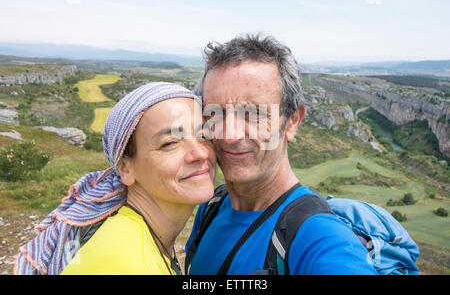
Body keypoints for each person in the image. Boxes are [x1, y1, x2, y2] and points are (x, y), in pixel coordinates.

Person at [185, 34, 378, 275]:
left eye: (252, 113)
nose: (229, 135)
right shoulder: (211, 207)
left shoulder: (315, 235)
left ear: (292, 121)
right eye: (214, 113)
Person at [14, 82, 216, 275]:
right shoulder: (131, 265)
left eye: (203, 135)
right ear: (126, 168)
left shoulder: (127, 234)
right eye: (170, 143)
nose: (200, 153)